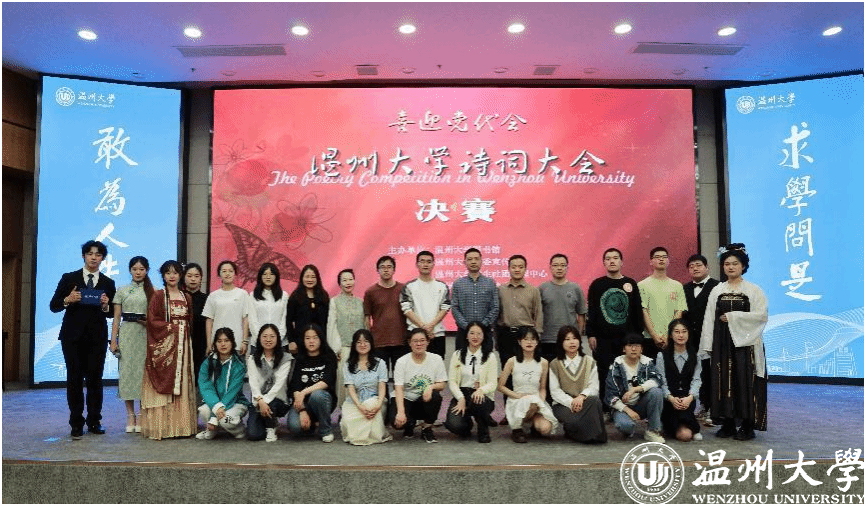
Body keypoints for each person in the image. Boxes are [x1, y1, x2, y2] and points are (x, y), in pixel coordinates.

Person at [699, 243, 768, 441]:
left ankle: (747, 425)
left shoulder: (753, 290)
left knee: (745, 382)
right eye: (727, 264)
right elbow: (709, 318)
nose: (730, 267)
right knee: (723, 381)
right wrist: (708, 345)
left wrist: (732, 317)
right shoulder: (717, 290)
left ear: (743, 266)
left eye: (735, 263)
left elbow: (761, 316)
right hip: (722, 344)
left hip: (746, 345)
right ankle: (727, 423)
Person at [49, 240, 116, 439]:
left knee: (95, 380)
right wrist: (67, 300)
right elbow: (54, 305)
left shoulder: (108, 283)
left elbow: (111, 313)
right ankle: (76, 423)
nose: (94, 257)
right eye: (90, 254)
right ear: (83, 256)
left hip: (97, 338)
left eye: (98, 254)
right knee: (75, 379)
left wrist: (106, 305)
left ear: (103, 258)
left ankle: (94, 421)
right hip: (72, 337)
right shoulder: (69, 278)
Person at [140, 260, 198, 440]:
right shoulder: (159, 296)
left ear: (180, 275)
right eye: (168, 273)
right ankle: (164, 428)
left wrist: (182, 331)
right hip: (166, 345)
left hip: (184, 346)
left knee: (183, 382)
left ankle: (181, 427)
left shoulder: (186, 297)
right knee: (166, 382)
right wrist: (173, 328)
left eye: (175, 272)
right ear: (163, 276)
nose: (172, 276)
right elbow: (152, 321)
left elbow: (190, 321)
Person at [586, 248, 644, 419]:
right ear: (604, 263)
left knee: (625, 373)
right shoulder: (597, 284)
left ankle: (626, 408)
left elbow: (637, 312)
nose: (612, 261)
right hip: (603, 339)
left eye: (615, 258)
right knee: (604, 373)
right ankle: (606, 409)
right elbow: (592, 311)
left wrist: (636, 338)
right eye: (608, 258)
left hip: (626, 340)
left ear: (621, 262)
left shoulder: (630, 283)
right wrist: (591, 334)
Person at [109, 256, 154, 433]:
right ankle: (130, 415)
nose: (138, 272)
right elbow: (116, 318)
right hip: (127, 334)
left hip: (145, 335)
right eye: (135, 269)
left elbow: (156, 318)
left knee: (144, 375)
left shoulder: (153, 291)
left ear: (147, 271)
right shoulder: (122, 290)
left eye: (141, 269)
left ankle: (142, 414)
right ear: (130, 270)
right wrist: (113, 340)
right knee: (127, 374)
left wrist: (147, 322)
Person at [498, 326, 558, 443]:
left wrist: (541, 400)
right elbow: (500, 386)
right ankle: (517, 429)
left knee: (545, 429)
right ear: (519, 342)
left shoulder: (544, 362)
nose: (529, 342)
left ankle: (533, 425)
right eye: (526, 339)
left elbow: (542, 388)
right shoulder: (512, 361)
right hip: (517, 399)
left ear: (537, 342)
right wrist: (516, 395)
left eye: (533, 339)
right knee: (529, 404)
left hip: (535, 399)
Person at [549, 325, 607, 444]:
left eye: (575, 338)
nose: (572, 342)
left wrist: (581, 397)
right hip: (563, 405)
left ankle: (585, 433)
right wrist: (572, 402)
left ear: (580, 341)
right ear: (561, 343)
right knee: (574, 421)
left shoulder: (589, 361)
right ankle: (585, 433)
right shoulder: (555, 364)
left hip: (585, 402)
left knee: (595, 401)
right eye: (567, 339)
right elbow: (555, 392)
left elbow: (594, 387)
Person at [604, 333, 666, 443]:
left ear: (641, 349)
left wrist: (635, 389)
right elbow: (610, 396)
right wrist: (628, 410)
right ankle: (628, 427)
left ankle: (652, 431)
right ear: (624, 349)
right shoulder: (616, 366)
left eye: (637, 346)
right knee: (625, 426)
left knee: (656, 392)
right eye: (630, 346)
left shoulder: (647, 363)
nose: (633, 349)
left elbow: (657, 380)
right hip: (623, 406)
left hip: (641, 403)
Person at [389, 329, 447, 443]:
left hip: (424, 399)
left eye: (422, 340)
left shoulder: (436, 359)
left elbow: (442, 384)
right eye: (415, 341)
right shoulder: (402, 361)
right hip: (406, 398)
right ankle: (410, 424)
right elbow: (398, 388)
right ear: (410, 343)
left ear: (428, 342)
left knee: (435, 396)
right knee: (396, 423)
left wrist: (430, 387)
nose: (419, 344)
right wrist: (401, 412)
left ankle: (427, 427)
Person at [681, 254, 720, 426]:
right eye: (691, 266)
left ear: (707, 267)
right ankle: (700, 406)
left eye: (698, 265)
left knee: (711, 373)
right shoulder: (684, 288)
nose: (695, 268)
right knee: (694, 373)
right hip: (690, 340)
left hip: (711, 338)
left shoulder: (718, 286)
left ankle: (713, 408)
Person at [444, 321, 498, 443]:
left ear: (484, 336)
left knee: (478, 400)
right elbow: (452, 382)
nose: (475, 337)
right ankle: (466, 424)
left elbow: (493, 383)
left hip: (482, 396)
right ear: (466, 336)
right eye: (472, 333)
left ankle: (483, 430)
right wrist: (460, 398)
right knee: (455, 425)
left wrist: (481, 390)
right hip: (462, 393)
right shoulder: (457, 355)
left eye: (479, 334)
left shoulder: (490, 356)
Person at [287, 323, 338, 442]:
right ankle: (311, 424)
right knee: (294, 427)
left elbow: (326, 381)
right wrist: (302, 410)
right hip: (303, 402)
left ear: (321, 339)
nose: (311, 341)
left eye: (315, 338)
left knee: (317, 395)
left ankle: (325, 430)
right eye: (308, 338)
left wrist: (303, 392)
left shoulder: (329, 356)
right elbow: (294, 386)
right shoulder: (300, 359)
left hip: (322, 400)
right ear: (303, 340)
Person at [196, 327, 250, 439]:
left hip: (235, 402)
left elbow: (232, 393)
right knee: (203, 410)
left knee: (225, 420)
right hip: (215, 402)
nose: (223, 344)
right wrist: (216, 407)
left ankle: (239, 430)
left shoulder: (239, 364)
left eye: (226, 341)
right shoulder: (208, 362)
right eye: (219, 341)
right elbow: (205, 386)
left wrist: (214, 417)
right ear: (215, 344)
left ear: (232, 343)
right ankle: (213, 430)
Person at [340, 329, 392, 445]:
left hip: (376, 401)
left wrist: (378, 405)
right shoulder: (348, 365)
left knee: (370, 405)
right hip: (356, 401)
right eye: (359, 342)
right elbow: (351, 389)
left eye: (366, 341)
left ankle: (370, 434)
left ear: (371, 343)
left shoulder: (380, 363)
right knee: (347, 421)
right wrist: (359, 406)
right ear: (354, 345)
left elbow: (382, 386)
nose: (362, 345)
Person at [327, 268, 368, 408]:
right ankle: (344, 410)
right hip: (343, 348)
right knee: (344, 380)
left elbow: (365, 326)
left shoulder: (361, 302)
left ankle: (359, 409)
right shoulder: (334, 302)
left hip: (360, 348)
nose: (348, 283)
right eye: (344, 280)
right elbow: (331, 326)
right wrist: (336, 348)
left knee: (360, 380)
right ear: (339, 283)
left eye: (350, 279)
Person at [656, 319, 702, 442]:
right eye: (677, 332)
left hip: (687, 398)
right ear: (671, 335)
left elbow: (697, 380)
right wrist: (670, 398)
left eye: (684, 331)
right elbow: (661, 381)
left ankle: (689, 427)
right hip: (669, 399)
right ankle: (683, 427)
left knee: (685, 435)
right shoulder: (662, 356)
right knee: (683, 435)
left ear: (688, 334)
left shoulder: (695, 356)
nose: (681, 335)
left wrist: (690, 398)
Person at [400, 251, 451, 358]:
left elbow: (445, 308)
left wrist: (431, 326)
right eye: (422, 261)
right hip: (414, 335)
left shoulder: (442, 286)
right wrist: (423, 328)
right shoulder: (409, 286)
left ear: (433, 264)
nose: (425, 264)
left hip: (436, 334)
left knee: (437, 366)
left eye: (429, 262)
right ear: (417, 264)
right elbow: (406, 309)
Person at [246, 324, 292, 442]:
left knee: (272, 403)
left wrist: (265, 401)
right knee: (253, 435)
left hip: (278, 400)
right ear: (259, 338)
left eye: (272, 336)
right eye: (265, 336)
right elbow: (253, 383)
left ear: (278, 339)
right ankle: (267, 421)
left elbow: (278, 385)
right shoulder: (252, 359)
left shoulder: (285, 358)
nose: (268, 339)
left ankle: (271, 427)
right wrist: (260, 401)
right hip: (258, 400)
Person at [497, 254, 543, 371]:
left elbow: (538, 314)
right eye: (514, 267)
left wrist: (537, 337)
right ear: (508, 269)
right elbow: (497, 315)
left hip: (526, 335)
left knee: (525, 370)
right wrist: (496, 338)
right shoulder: (501, 290)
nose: (517, 270)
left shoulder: (533, 290)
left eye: (520, 267)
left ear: (525, 269)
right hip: (505, 334)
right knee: (507, 370)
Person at [539, 253, 588, 361]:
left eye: (563, 265)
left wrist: (578, 336)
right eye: (556, 265)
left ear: (567, 267)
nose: (559, 268)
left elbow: (581, 314)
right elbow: (537, 314)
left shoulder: (575, 288)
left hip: (569, 340)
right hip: (547, 339)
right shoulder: (543, 288)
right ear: (550, 267)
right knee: (549, 370)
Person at [638, 247, 687, 354]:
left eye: (664, 257)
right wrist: (654, 335)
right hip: (649, 338)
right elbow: (643, 311)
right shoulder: (642, 285)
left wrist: (668, 334)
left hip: (671, 338)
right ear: (651, 261)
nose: (661, 259)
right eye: (657, 257)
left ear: (668, 261)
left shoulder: (677, 285)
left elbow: (679, 311)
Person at [363, 255, 406, 376]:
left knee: (400, 377)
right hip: (379, 342)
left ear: (394, 270)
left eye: (389, 267)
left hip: (400, 341)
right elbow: (367, 317)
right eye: (382, 267)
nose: (386, 270)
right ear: (378, 270)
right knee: (381, 378)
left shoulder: (403, 289)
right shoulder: (370, 292)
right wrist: (368, 339)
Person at [450, 248, 499, 350]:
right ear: (464, 262)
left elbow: (495, 307)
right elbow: (454, 307)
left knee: (486, 359)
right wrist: (467, 327)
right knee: (462, 359)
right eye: (470, 259)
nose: (473, 262)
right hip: (463, 332)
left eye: (476, 259)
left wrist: (482, 325)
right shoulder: (458, 283)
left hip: (485, 331)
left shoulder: (490, 283)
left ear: (481, 261)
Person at [202, 260, 252, 356]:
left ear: (235, 274)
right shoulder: (213, 296)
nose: (227, 274)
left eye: (230, 271)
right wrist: (209, 343)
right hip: (218, 343)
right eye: (224, 271)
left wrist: (245, 341)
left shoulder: (242, 294)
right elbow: (209, 320)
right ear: (219, 275)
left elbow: (246, 319)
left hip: (237, 343)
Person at [286, 264, 330, 354]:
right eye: (307, 277)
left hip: (321, 342)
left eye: (313, 277)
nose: (310, 280)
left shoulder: (323, 296)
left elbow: (328, 321)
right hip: (300, 343)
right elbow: (288, 321)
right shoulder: (295, 297)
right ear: (302, 278)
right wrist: (292, 340)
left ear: (317, 279)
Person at [248, 262, 288, 351]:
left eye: (271, 274)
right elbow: (252, 320)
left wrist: (277, 339)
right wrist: (261, 340)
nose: (268, 277)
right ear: (260, 276)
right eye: (265, 274)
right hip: (258, 344)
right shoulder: (252, 296)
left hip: (280, 343)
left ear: (276, 276)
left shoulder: (284, 296)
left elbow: (284, 320)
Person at [182, 263, 209, 379]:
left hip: (201, 345)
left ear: (201, 278)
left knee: (200, 378)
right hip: (181, 343)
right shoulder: (178, 297)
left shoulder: (207, 299)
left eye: (196, 276)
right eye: (189, 276)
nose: (193, 279)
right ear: (183, 277)